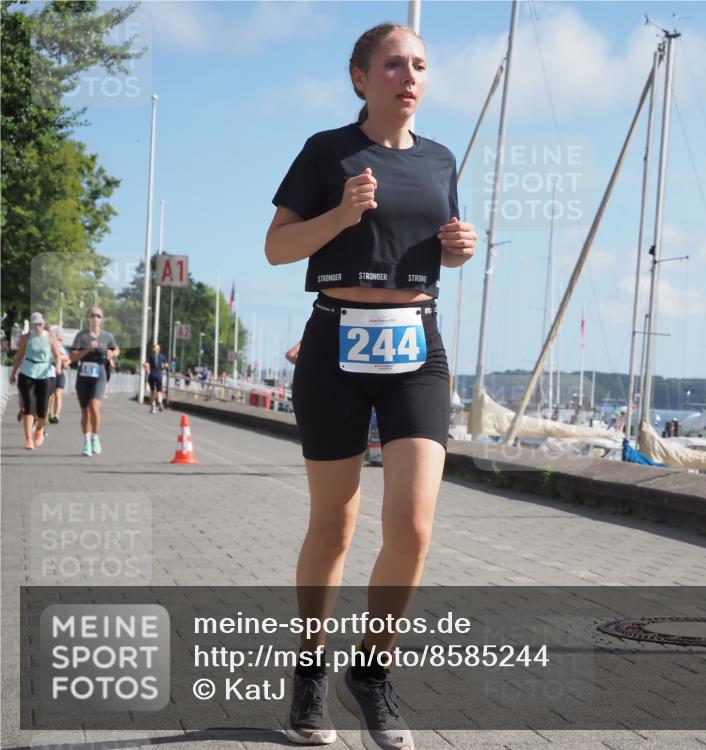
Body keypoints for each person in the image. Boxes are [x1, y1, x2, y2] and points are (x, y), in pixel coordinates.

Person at [265, 22, 476, 747]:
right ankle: (309, 674)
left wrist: (459, 251)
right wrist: (342, 213)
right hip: (336, 343)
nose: (407, 76)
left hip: (417, 345)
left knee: (414, 527)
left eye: (419, 64)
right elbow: (276, 248)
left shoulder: (443, 160)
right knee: (336, 524)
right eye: (392, 64)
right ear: (361, 77)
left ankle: (373, 673)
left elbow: (433, 251)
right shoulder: (328, 152)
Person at [67, 306, 119, 457]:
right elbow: (72, 357)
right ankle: (86, 441)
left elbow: (116, 350)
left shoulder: (107, 336)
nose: (95, 319)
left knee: (94, 406)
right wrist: (87, 349)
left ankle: (95, 436)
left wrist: (112, 353)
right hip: (83, 375)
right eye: (93, 316)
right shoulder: (81, 336)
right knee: (85, 410)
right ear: (87, 319)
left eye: (98, 316)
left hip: (100, 374)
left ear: (102, 319)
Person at [9, 312, 61, 449]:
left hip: (44, 373)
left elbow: (57, 355)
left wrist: (59, 367)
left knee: (42, 409)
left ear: (43, 324)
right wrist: (13, 373)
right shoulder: (26, 337)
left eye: (40, 324)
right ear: (32, 325)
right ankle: (28, 438)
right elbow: (19, 356)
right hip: (27, 372)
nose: (38, 327)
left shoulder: (50, 336)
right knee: (28, 405)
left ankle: (39, 430)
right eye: (35, 324)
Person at [46, 326, 70, 424]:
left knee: (58, 394)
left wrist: (62, 361)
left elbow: (68, 359)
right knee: (50, 396)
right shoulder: (48, 345)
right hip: (50, 373)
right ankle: (49, 413)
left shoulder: (61, 347)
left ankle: (56, 415)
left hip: (59, 373)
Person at [144, 343, 168, 413]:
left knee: (152, 392)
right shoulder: (162, 356)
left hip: (151, 375)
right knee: (159, 391)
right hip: (159, 375)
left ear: (153, 349)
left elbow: (145, 364)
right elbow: (166, 365)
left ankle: (153, 408)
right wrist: (162, 367)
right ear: (159, 349)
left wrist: (145, 367)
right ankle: (160, 402)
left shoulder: (150, 356)